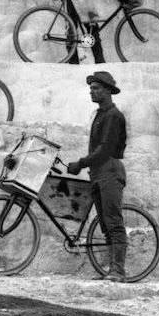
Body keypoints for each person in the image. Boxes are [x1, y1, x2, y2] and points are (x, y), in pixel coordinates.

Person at [66, 71, 129, 281]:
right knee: (105, 224)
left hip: (110, 171)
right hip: (99, 173)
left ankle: (118, 271)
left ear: (109, 90)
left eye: (97, 88)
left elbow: (105, 149)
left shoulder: (113, 115)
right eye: (91, 88)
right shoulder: (101, 114)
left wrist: (81, 163)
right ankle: (112, 270)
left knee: (113, 222)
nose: (92, 91)